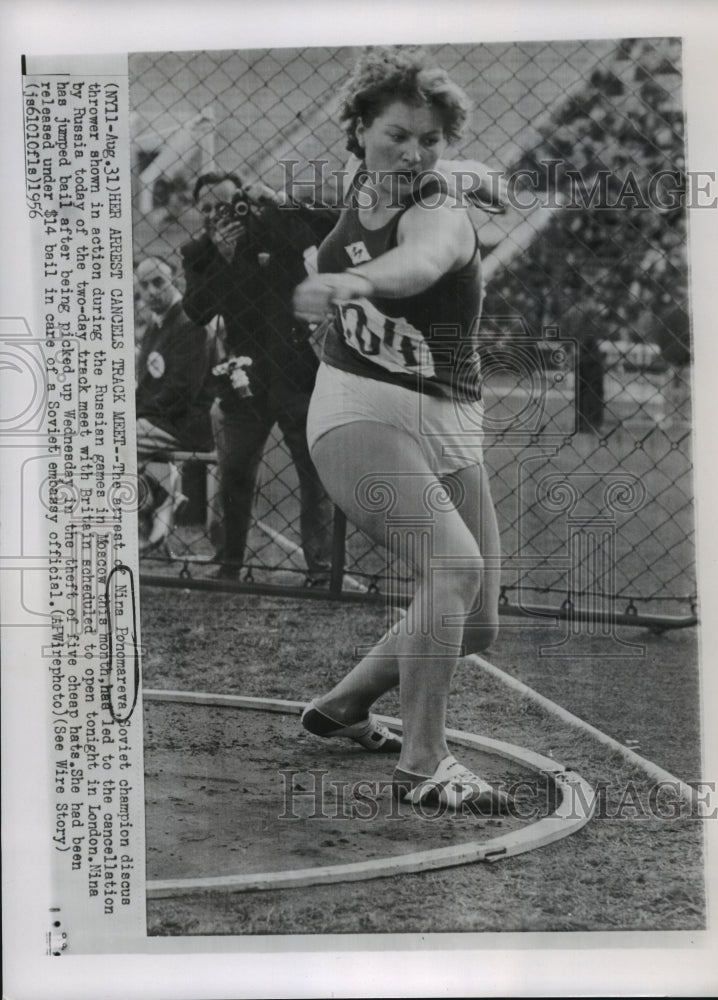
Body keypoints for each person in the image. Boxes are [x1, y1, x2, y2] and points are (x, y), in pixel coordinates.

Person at [293, 47, 508, 815]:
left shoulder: (438, 207)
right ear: (357, 131)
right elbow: (473, 176)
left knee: (477, 621)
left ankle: (343, 707)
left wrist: (355, 279)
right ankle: (423, 763)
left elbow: (417, 266)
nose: (414, 152)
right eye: (397, 135)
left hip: (450, 416)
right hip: (359, 406)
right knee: (450, 569)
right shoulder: (371, 184)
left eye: (429, 140)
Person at [180, 173, 337, 582]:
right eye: (208, 209)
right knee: (234, 471)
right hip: (243, 379)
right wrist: (222, 258)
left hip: (294, 370)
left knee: (314, 469)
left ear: (245, 203)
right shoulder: (201, 253)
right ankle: (230, 563)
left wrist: (279, 200)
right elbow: (198, 311)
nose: (218, 215)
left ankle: (321, 569)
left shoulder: (275, 227)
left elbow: (331, 225)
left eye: (227, 204)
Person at [135, 256, 215, 550]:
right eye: (144, 285)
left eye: (158, 282)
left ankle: (159, 503)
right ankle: (162, 501)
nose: (152, 291)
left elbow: (183, 392)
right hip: (158, 419)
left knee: (111, 449)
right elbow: (148, 386)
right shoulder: (159, 323)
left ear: (176, 281)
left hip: (184, 424)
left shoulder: (189, 321)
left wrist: (133, 414)